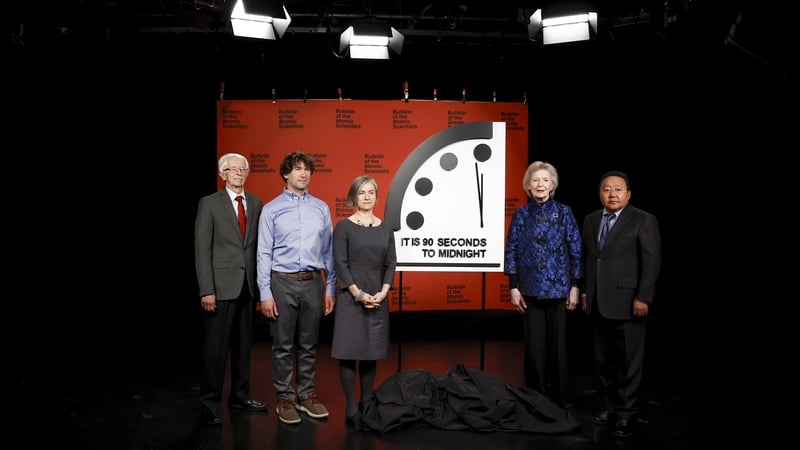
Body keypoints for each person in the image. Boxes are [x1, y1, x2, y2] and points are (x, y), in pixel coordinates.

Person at [257, 151, 337, 425]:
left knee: (309, 344)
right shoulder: (271, 209)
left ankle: (306, 396)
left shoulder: (321, 208)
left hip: (314, 282)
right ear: (286, 174)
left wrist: (330, 288)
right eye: (298, 169)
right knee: (282, 344)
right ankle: (285, 398)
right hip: (282, 282)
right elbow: (263, 253)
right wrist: (265, 293)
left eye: (307, 169)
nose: (304, 173)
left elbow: (328, 251)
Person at [580, 170, 661, 438]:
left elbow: (651, 262)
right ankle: (609, 406)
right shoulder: (591, 220)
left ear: (628, 194)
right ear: (600, 193)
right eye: (606, 189)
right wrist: (584, 293)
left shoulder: (643, 220)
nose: (612, 194)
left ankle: (626, 413)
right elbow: (590, 260)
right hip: (598, 302)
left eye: (618, 189)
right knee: (603, 361)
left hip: (630, 303)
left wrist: (643, 297)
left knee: (628, 361)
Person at [194, 152, 267, 425]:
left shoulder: (257, 203)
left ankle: (240, 396)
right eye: (232, 169)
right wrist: (206, 289)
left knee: (244, 346)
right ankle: (209, 402)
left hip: (247, 286)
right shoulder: (209, 204)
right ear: (222, 174)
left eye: (242, 169)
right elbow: (202, 249)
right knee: (215, 348)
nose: (238, 173)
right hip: (220, 288)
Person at [504, 161, 583, 408]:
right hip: (529, 290)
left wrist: (575, 286)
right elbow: (512, 250)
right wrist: (513, 286)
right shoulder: (521, 214)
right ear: (528, 185)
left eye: (545, 180)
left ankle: (560, 398)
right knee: (534, 348)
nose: (540, 184)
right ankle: (535, 398)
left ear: (553, 185)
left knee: (558, 347)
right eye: (536, 180)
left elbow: (576, 250)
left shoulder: (565, 212)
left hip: (559, 289)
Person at [330, 175, 397, 428]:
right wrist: (358, 294)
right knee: (349, 354)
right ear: (354, 197)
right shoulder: (344, 227)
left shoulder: (385, 227)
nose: (367, 197)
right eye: (362, 193)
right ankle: (350, 407)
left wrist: (383, 291)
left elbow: (391, 263)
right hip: (351, 298)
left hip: (378, 297)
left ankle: (366, 403)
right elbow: (340, 264)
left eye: (371, 192)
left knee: (370, 353)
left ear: (376, 197)